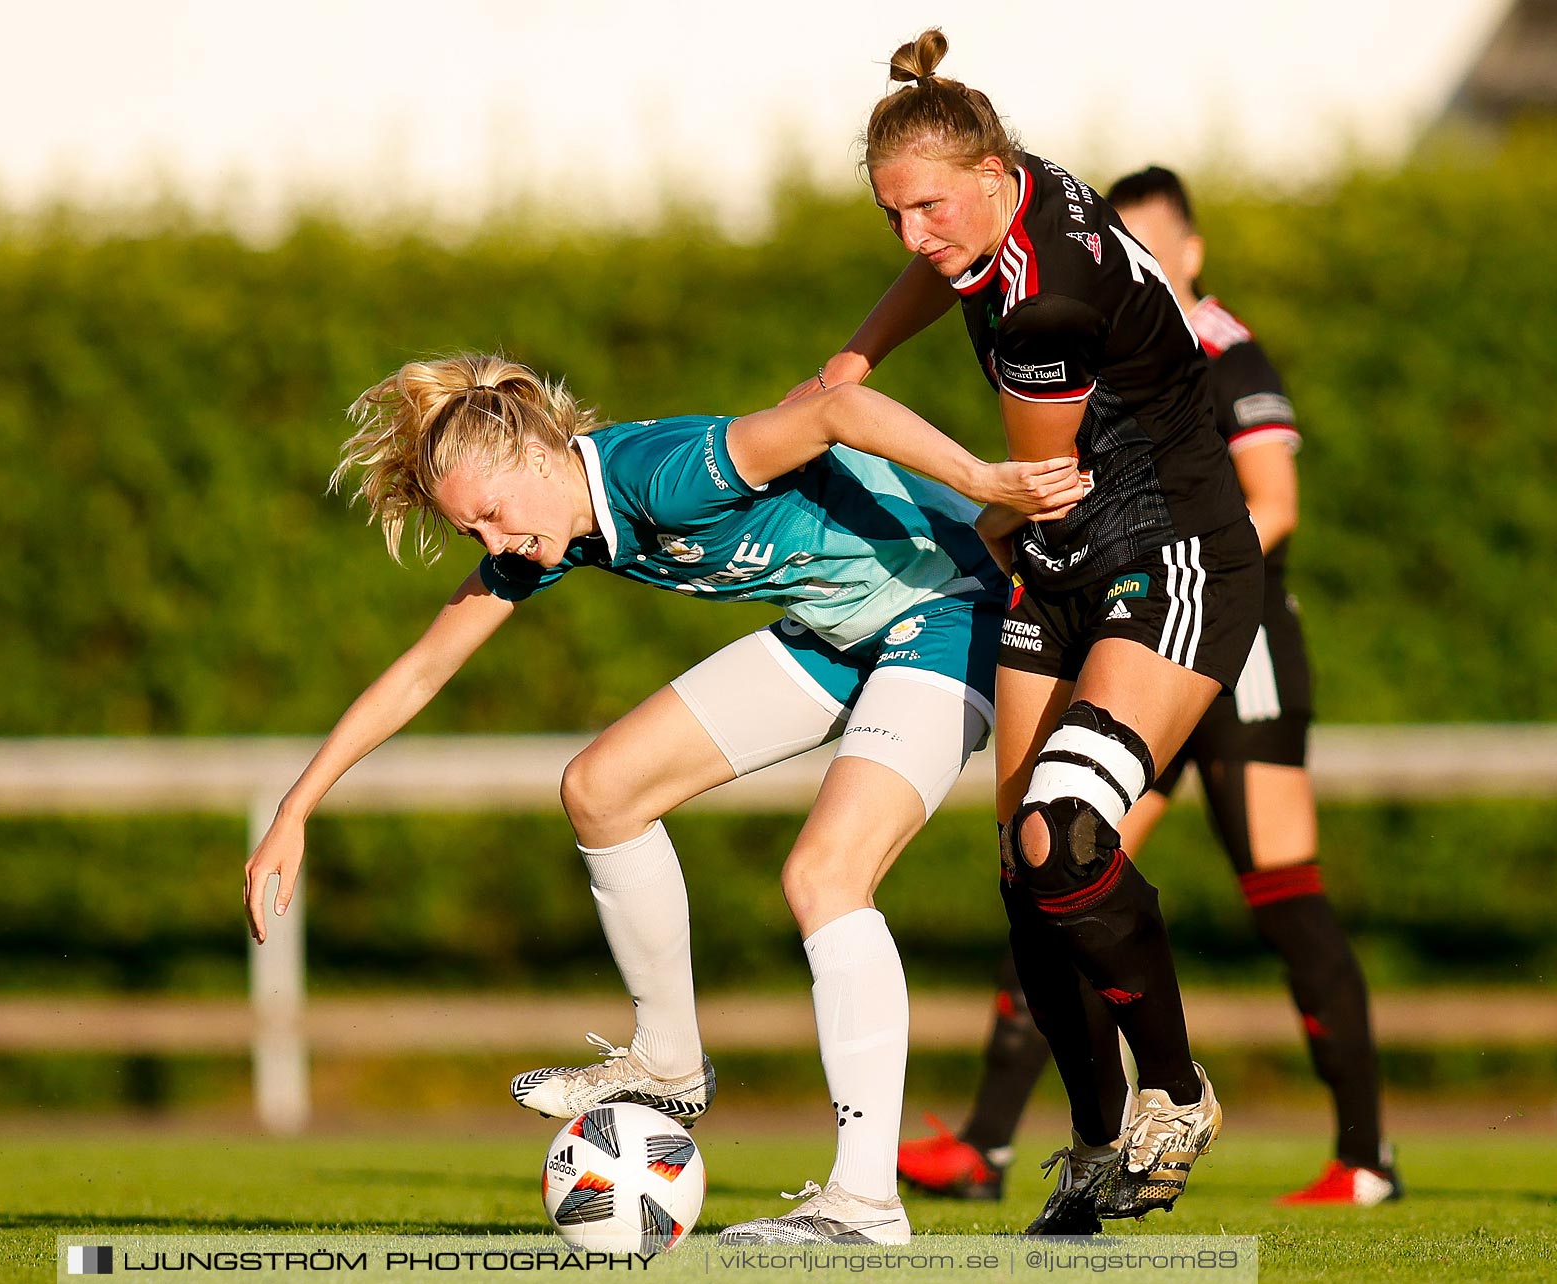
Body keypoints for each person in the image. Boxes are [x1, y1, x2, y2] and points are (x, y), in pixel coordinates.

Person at [242, 351, 1083, 1246]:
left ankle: (865, 1205)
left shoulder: (663, 477)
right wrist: (297, 808)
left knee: (825, 875)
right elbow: (423, 669)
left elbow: (839, 410)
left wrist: (986, 480)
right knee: (601, 789)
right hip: (843, 628)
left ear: (537, 456)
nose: (492, 546)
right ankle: (671, 1062)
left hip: (956, 606)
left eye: (491, 515)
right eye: (471, 532)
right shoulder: (554, 530)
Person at [796, 30, 1266, 1233]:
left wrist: (854, 419)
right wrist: (859, 348)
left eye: (928, 208)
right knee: (1024, 876)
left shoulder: (1045, 302)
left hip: (1166, 556)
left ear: (992, 168)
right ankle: (1102, 1149)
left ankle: (1176, 1091)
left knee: (1063, 835)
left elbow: (1027, 481)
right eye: (892, 213)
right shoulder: (1018, 187)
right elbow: (940, 277)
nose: (913, 236)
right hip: (1066, 565)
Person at [896, 167, 1398, 1208]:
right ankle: (1012, 1140)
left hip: (1215, 625)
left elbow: (1272, 503)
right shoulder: (1053, 297)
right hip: (1118, 605)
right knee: (1047, 859)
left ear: (1192, 256)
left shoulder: (1224, 347)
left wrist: (1168, 584)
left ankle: (1363, 1157)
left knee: (1279, 890)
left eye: (1160, 250)